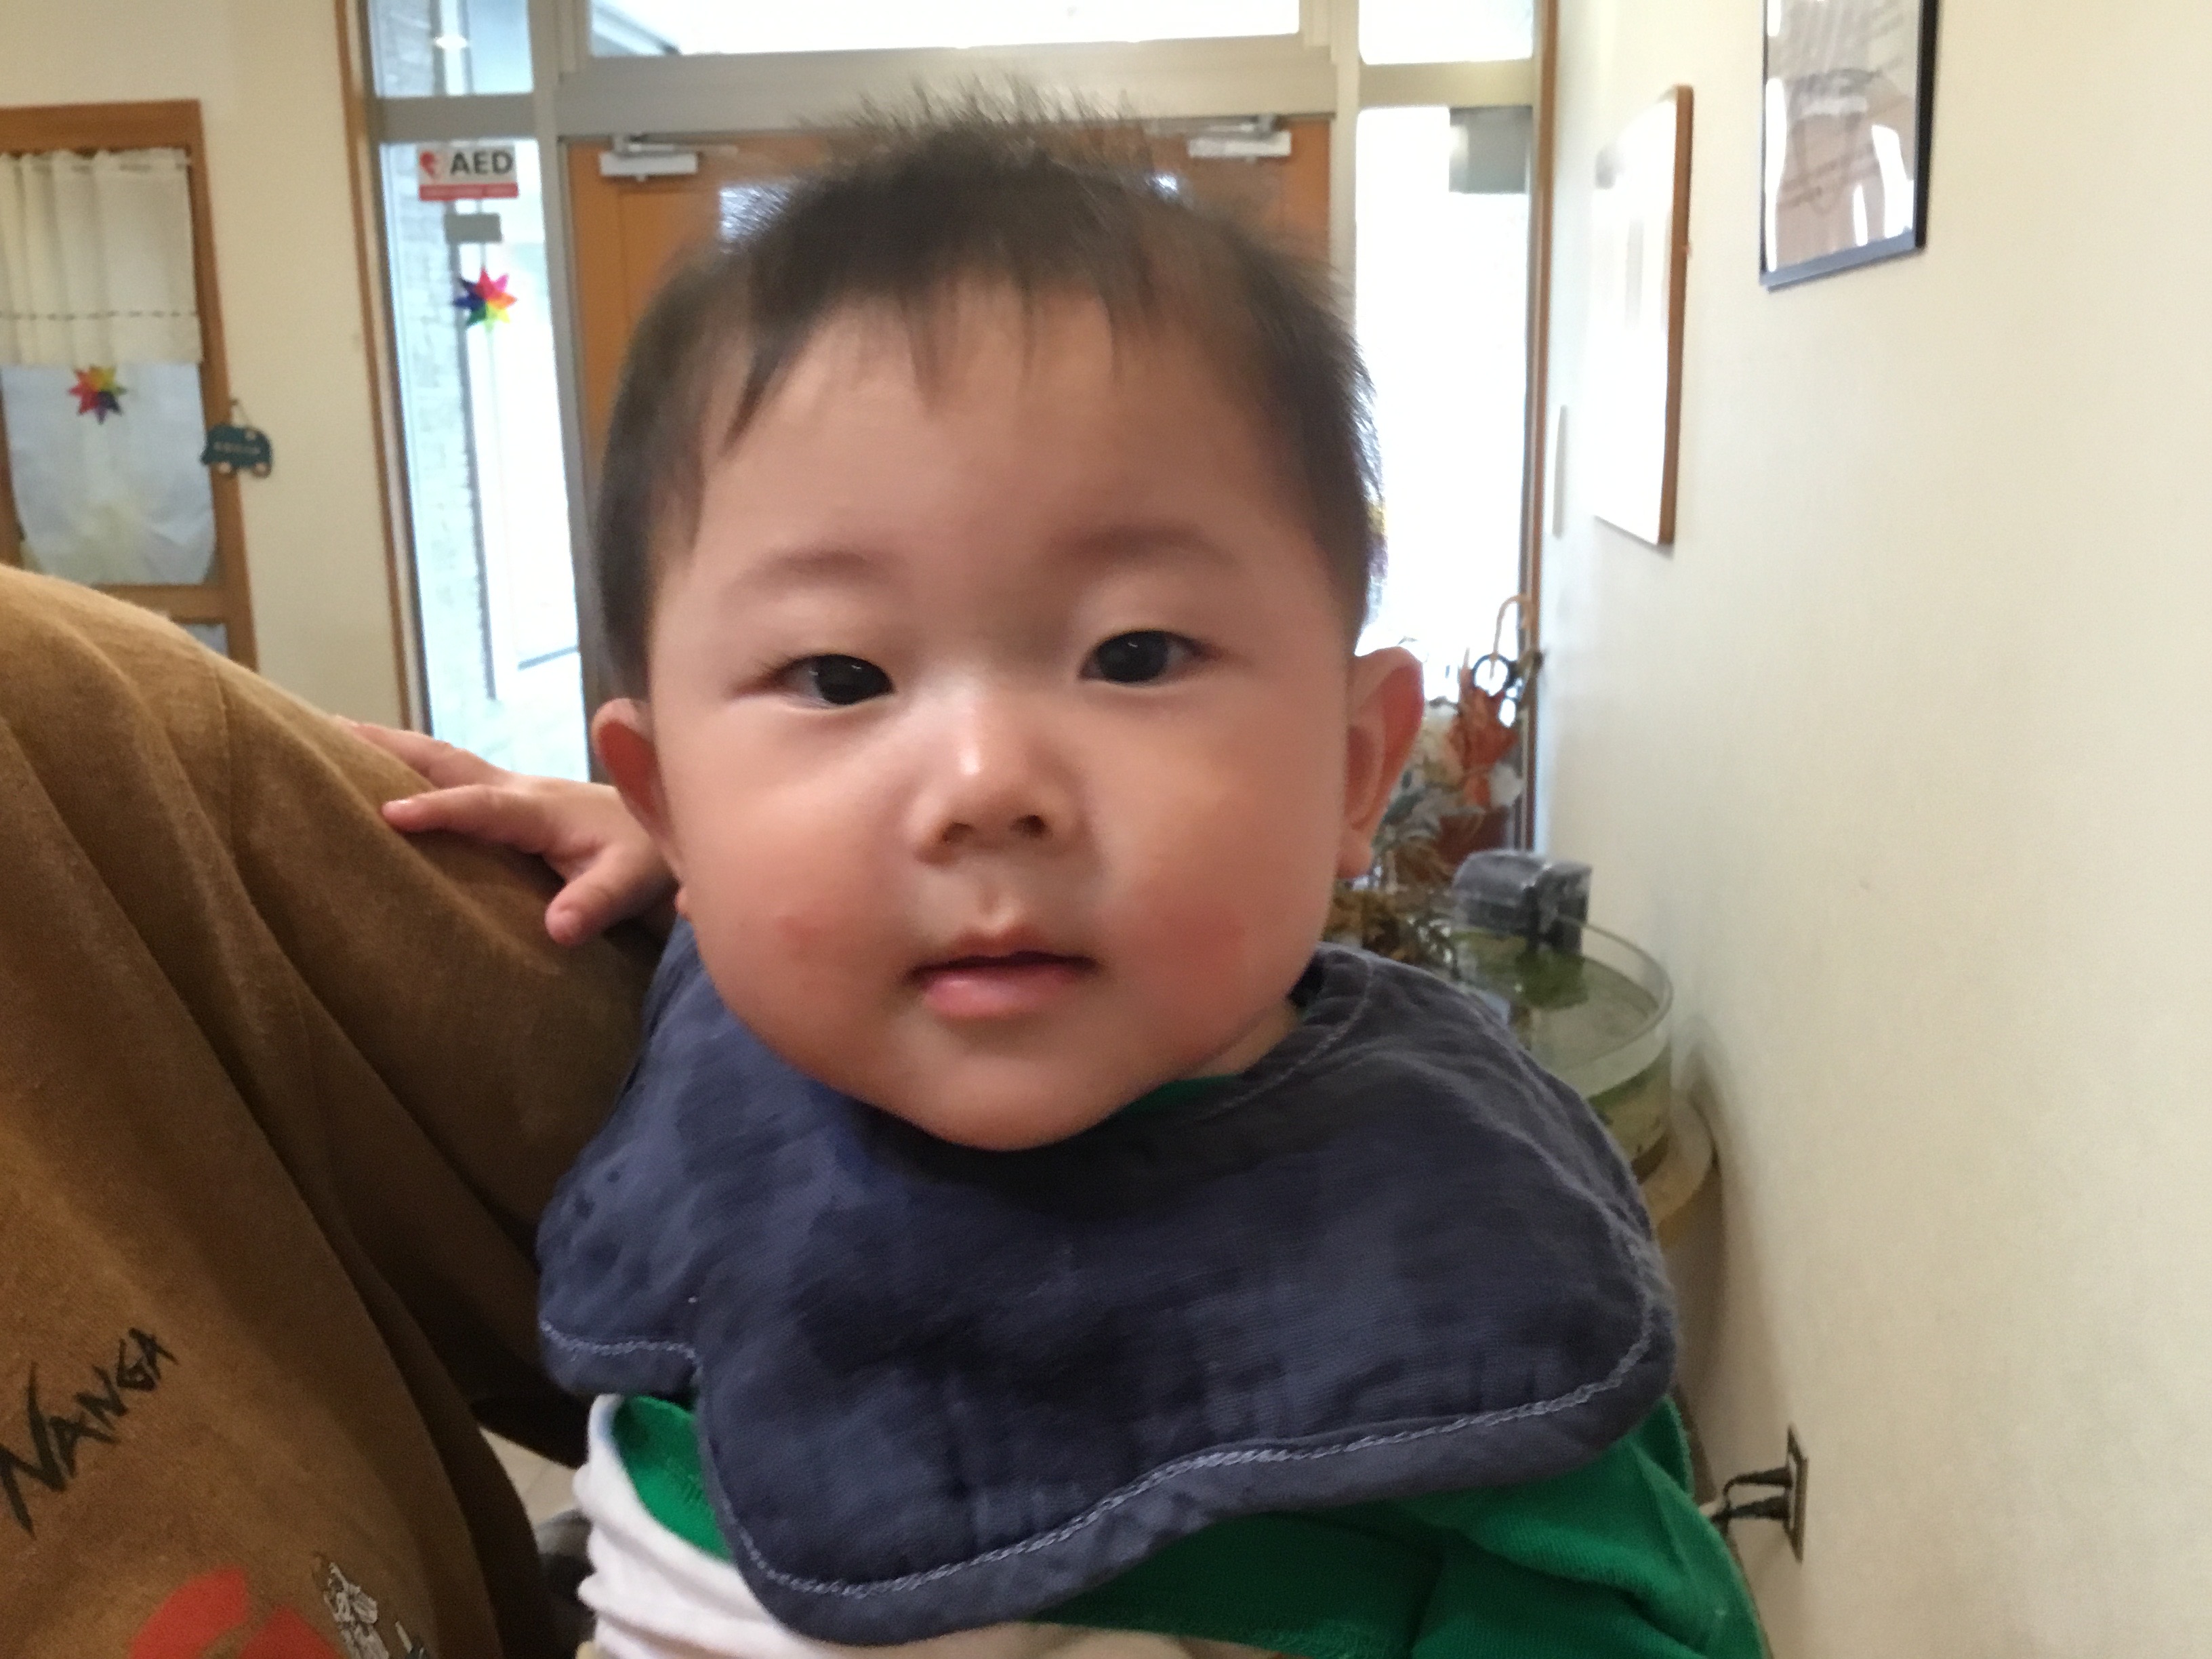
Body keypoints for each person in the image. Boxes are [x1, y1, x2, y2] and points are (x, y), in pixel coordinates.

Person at [354, 112, 1763, 1659]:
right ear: (670, 799)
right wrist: (678, 853)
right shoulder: (734, 1003)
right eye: (840, 677)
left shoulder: (1458, 1266)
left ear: (1357, 764)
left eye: (1134, 655)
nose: (985, 786)